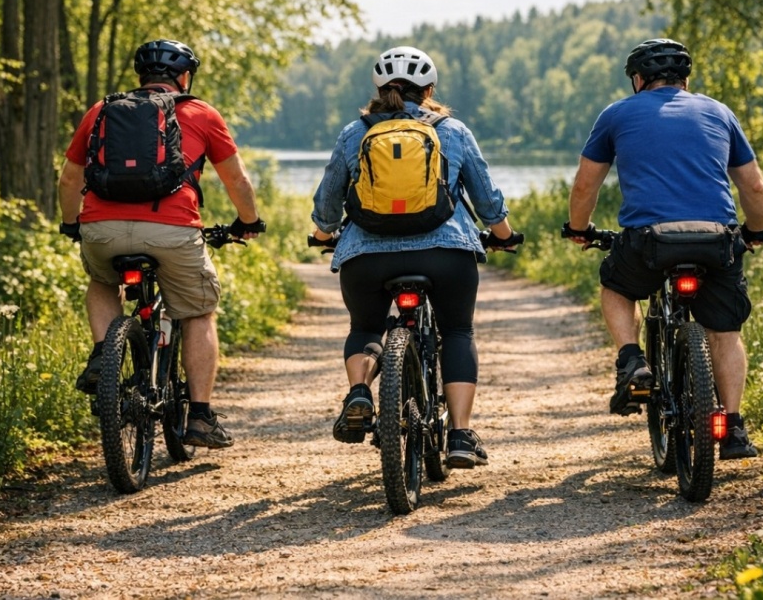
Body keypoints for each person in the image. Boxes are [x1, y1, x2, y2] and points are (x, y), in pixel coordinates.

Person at [311, 46, 521, 469]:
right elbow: (487, 200)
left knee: (366, 326)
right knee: (458, 332)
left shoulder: (355, 133)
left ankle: (358, 393)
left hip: (366, 258)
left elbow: (328, 201)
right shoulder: (453, 130)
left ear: (379, 89)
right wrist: (505, 235)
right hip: (445, 255)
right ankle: (460, 435)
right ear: (429, 90)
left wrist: (322, 234)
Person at [564, 38, 763, 460]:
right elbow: (752, 185)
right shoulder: (718, 112)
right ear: (686, 79)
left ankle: (632, 360)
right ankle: (732, 429)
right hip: (716, 239)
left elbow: (587, 184)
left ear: (638, 80)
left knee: (618, 288)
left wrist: (579, 229)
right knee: (725, 332)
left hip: (650, 241)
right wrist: (754, 231)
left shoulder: (617, 114)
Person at [57, 39, 265, 449]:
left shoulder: (101, 111)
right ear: (184, 77)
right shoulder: (201, 113)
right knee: (199, 312)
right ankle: (202, 417)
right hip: (174, 230)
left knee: (102, 282)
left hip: (102, 228)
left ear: (141, 77)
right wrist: (248, 222)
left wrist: (72, 225)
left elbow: (68, 179)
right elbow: (236, 180)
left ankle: (104, 354)